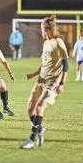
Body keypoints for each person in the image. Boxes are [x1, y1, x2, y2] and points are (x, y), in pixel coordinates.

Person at [19, 15, 69, 149]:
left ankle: (31, 139)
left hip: (52, 81)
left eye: (42, 28)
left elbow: (66, 63)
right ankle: (40, 130)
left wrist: (62, 84)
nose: (41, 31)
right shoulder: (46, 43)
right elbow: (45, 64)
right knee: (30, 109)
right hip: (41, 79)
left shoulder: (58, 42)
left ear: (47, 29)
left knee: (40, 107)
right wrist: (33, 74)